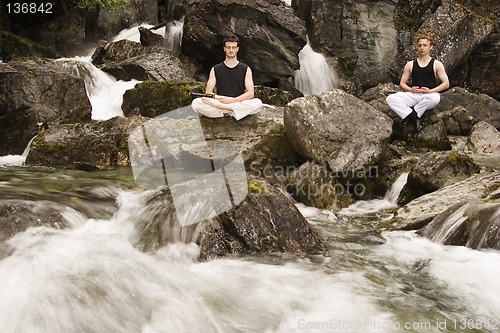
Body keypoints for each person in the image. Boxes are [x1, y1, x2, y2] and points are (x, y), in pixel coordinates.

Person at [386, 34, 449, 131]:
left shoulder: (437, 64)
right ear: (417, 47)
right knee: (391, 99)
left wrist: (431, 91)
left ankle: (413, 114)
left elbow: (446, 83)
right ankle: (413, 116)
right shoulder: (410, 64)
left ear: (430, 47)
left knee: (435, 98)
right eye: (420, 45)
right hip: (413, 94)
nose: (422, 48)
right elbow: (402, 83)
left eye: (425, 45)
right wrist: (410, 89)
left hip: (429, 95)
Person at [191, 36, 262, 121]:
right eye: (228, 47)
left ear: (237, 49)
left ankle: (224, 109)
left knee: (258, 103)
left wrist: (234, 101)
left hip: (237, 102)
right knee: (195, 103)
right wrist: (220, 99)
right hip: (221, 101)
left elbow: (250, 93)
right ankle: (232, 111)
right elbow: (208, 93)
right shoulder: (215, 69)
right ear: (224, 49)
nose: (231, 50)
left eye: (233, 47)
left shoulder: (246, 69)